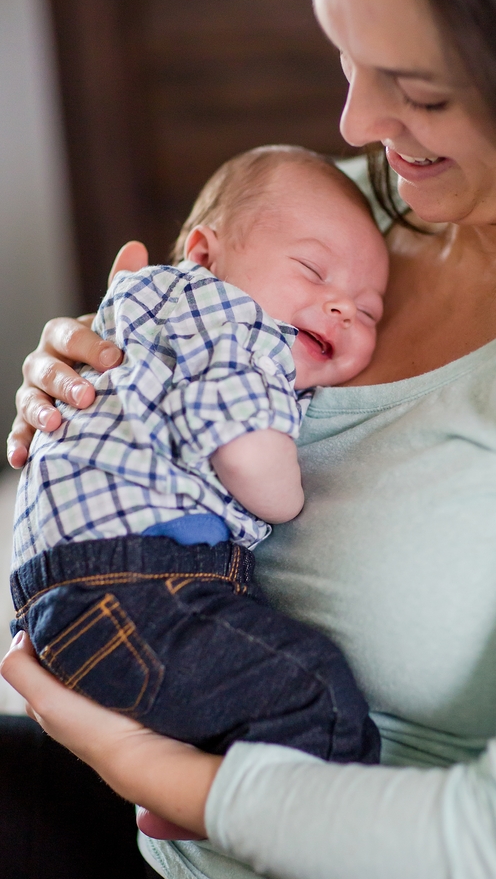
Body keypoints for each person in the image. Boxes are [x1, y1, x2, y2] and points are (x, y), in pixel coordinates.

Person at [4, 0, 496, 877]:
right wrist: (81, 388)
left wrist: (158, 774)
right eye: (342, 54)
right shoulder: (345, 211)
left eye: (417, 90)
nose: (355, 125)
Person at [11, 143, 386, 839]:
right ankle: (286, 829)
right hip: (134, 581)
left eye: (369, 311)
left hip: (70, 595)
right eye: (312, 271)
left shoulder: (157, 308)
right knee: (314, 692)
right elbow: (249, 457)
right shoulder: (230, 318)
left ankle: (191, 790)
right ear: (205, 254)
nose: (342, 307)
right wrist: (289, 496)